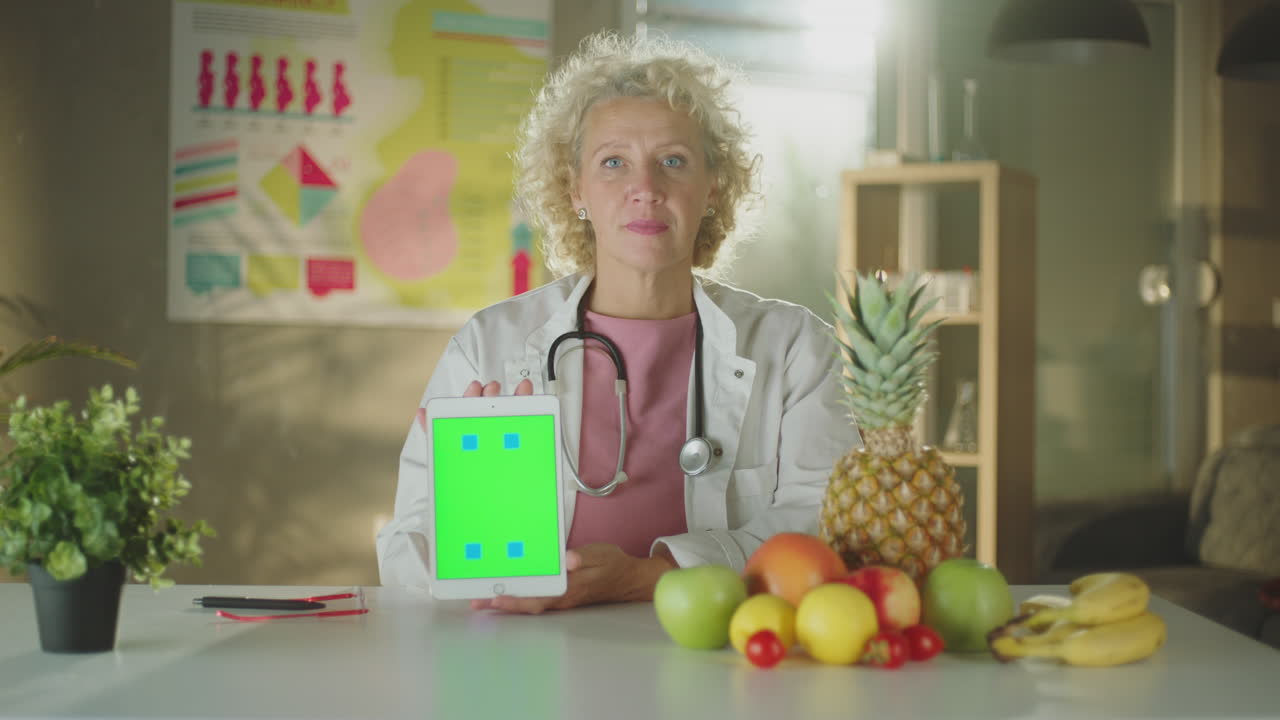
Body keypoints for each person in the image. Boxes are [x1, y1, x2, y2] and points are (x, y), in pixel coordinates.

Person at [376, 31, 859, 613]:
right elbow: (406, 550)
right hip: (533, 657)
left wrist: (647, 575)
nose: (645, 190)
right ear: (574, 189)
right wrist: (480, 527)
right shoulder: (488, 346)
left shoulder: (793, 348)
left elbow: (828, 527)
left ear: (713, 187)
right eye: (613, 163)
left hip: (729, 656)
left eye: (672, 162)